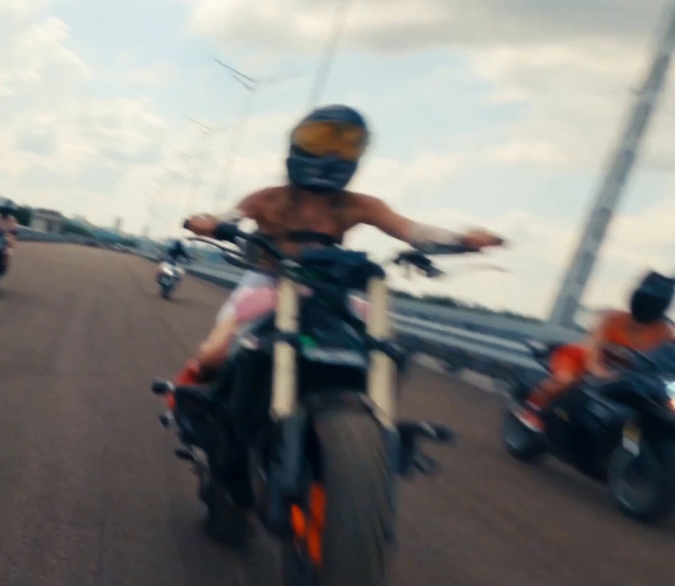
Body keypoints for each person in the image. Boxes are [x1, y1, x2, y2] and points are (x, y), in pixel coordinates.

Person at [168, 105, 503, 403]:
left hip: (326, 289)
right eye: (320, 140)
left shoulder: (359, 205)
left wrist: (462, 239)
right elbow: (229, 218)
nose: (331, 153)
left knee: (383, 349)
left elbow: (410, 230)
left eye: (346, 144)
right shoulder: (266, 199)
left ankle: (369, 421)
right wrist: (208, 223)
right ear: (298, 144)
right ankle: (195, 399)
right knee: (215, 354)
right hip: (268, 281)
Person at [513, 271, 675, 431]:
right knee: (568, 380)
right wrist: (599, 370)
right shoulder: (612, 319)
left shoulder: (664, 330)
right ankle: (533, 409)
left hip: (623, 373)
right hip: (581, 359)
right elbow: (594, 349)